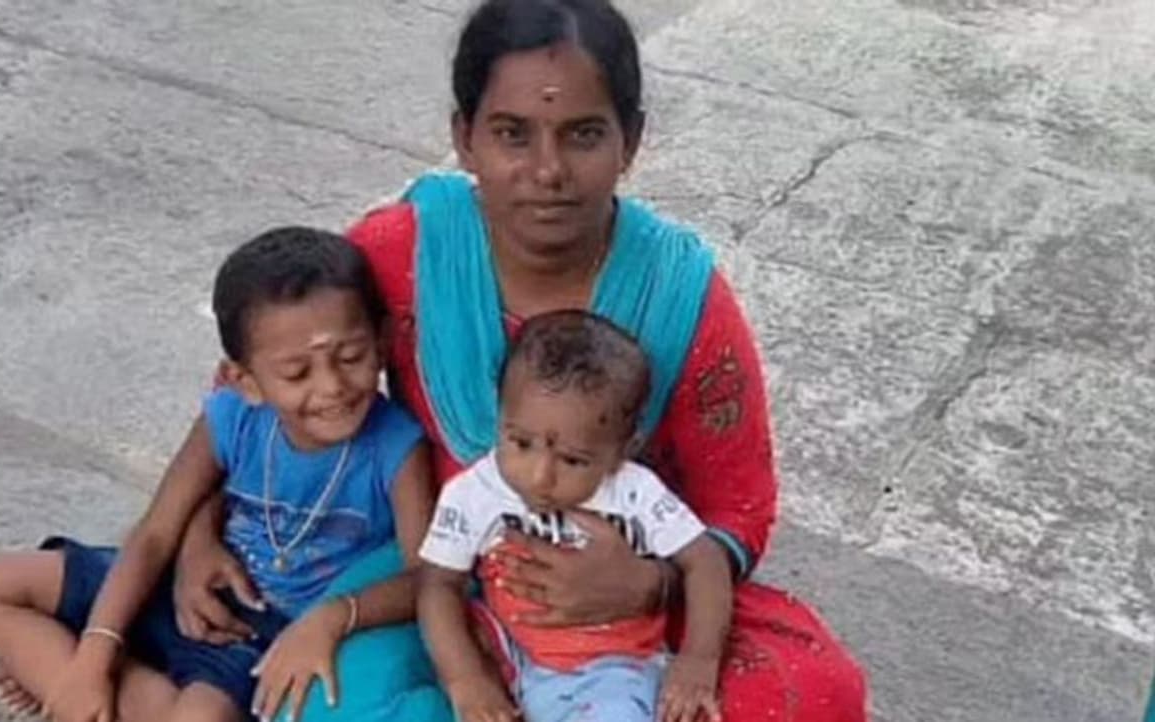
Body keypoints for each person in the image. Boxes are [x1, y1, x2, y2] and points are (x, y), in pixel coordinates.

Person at [175, 0, 868, 720]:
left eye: (583, 135)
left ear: (631, 141)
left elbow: (738, 504)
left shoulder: (680, 296)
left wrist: (647, 583)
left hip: (631, 602)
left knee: (817, 691)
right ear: (464, 139)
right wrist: (199, 532)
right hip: (442, 580)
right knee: (320, 699)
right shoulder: (405, 252)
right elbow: (274, 382)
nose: (547, 170)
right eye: (512, 134)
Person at [0, 227, 436, 722]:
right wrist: (94, 656)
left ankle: (72, 681)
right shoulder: (232, 418)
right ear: (245, 380)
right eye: (296, 373)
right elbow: (155, 534)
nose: (332, 386)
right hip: (171, 588)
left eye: (351, 357)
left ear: (382, 341)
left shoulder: (397, 448)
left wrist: (336, 617)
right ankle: (84, 682)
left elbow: (430, 579)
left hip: (254, 634)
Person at [418, 310, 732, 722]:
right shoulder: (474, 493)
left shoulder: (633, 492)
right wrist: (466, 679)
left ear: (622, 449)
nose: (540, 476)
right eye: (521, 442)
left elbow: (706, 561)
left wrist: (699, 660)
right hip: (509, 655)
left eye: (572, 459)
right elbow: (438, 585)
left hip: (612, 667)